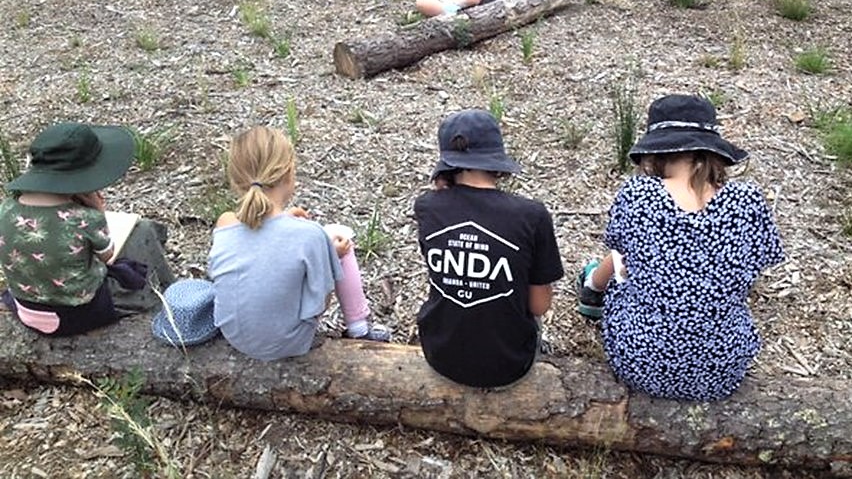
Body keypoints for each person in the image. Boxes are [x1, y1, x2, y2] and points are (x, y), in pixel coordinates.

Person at [577, 94, 784, 401]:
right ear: (714, 150)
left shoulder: (637, 195)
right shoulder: (748, 200)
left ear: (654, 151)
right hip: (722, 369)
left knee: (625, 271)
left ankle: (592, 287)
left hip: (642, 363)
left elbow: (622, 250)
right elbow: (752, 268)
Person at [207, 126, 390, 362]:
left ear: (235, 179)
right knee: (337, 240)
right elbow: (319, 303)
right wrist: (330, 253)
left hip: (236, 337)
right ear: (289, 173)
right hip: (288, 341)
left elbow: (260, 246)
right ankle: (359, 328)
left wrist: (286, 220)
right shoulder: (311, 235)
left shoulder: (225, 223)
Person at [414, 109, 564, 388]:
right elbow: (540, 305)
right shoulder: (532, 215)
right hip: (509, 365)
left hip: (440, 354)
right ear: (496, 158)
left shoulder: (426, 207)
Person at [0, 123, 175, 337]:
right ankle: (168, 293)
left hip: (27, 308)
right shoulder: (85, 218)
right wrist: (98, 210)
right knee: (144, 230)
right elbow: (108, 256)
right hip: (79, 314)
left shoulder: (5, 209)